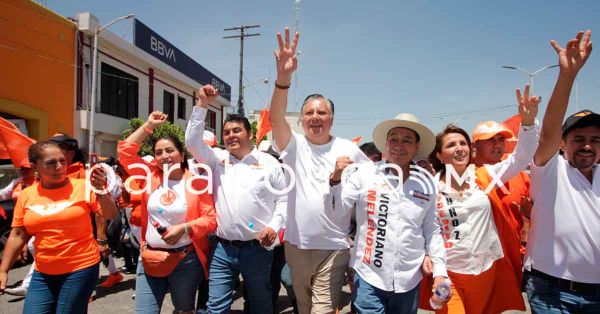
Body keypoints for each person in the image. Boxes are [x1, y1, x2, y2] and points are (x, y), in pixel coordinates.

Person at [268, 27, 371, 313]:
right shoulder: (292, 145)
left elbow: (373, 187)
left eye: (321, 113)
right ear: (300, 119)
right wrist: (283, 79)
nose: (315, 117)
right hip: (296, 247)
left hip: (335, 247)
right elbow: (276, 118)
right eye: (309, 113)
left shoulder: (350, 150)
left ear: (332, 118)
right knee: (303, 305)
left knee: (323, 309)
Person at [424, 83, 540, 313]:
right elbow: (429, 230)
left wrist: (528, 124)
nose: (459, 148)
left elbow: (520, 158)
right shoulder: (430, 187)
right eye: (451, 144)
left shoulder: (485, 175)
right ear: (439, 154)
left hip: (485, 269)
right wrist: (433, 263)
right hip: (448, 274)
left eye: (463, 143)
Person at [185, 84, 287, 314]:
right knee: (216, 306)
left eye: (236, 131)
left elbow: (283, 202)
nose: (231, 135)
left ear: (249, 134)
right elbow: (192, 143)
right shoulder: (216, 159)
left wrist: (273, 226)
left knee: (260, 304)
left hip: (258, 250)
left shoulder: (269, 163)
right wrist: (202, 104)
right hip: (222, 248)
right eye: (227, 132)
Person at [338, 113, 449, 313]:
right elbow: (338, 209)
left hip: (409, 280)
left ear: (416, 147)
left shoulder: (427, 183)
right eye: (393, 139)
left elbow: (432, 230)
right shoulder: (364, 174)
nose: (399, 145)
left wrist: (440, 271)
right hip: (368, 276)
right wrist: (335, 181)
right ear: (385, 145)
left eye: (407, 140)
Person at [525, 30, 599, 313]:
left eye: (595, 140)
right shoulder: (550, 171)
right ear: (563, 144)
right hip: (552, 294)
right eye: (578, 139)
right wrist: (568, 75)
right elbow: (547, 133)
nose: (587, 146)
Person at [0, 141, 118, 312]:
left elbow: (110, 215)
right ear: (35, 166)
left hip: (81, 268)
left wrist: (101, 191)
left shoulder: (84, 187)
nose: (59, 167)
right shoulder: (26, 195)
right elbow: (18, 234)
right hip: (43, 272)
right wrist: (4, 270)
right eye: (51, 163)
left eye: (62, 161)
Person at [118, 111, 217, 314]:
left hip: (186, 261)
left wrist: (185, 228)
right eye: (159, 152)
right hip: (150, 259)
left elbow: (211, 219)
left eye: (169, 150)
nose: (164, 156)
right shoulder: (148, 175)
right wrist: (148, 126)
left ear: (181, 155)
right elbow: (125, 152)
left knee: (184, 310)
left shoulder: (197, 183)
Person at [472, 120, 532, 263]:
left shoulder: (521, 176)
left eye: (501, 140)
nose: (497, 145)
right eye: (490, 140)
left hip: (514, 258)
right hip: (478, 262)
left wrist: (529, 216)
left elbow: (530, 215)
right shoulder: (466, 177)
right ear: (474, 146)